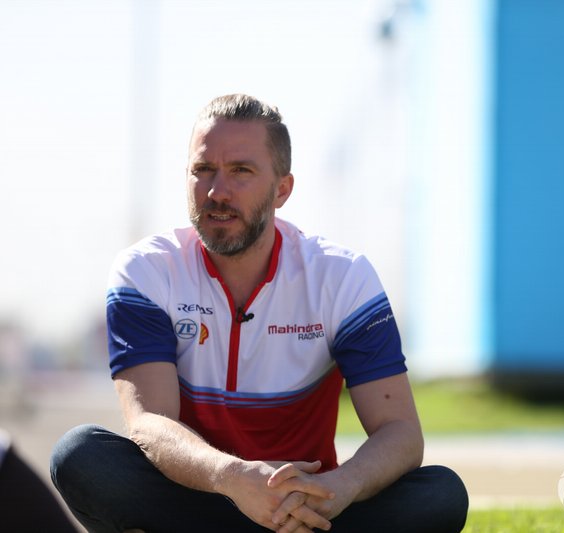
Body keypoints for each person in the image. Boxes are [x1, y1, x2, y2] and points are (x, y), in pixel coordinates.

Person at [50, 94, 469, 533]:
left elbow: (400, 431)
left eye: (241, 171)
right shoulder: (146, 271)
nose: (216, 191)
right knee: (80, 455)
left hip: (310, 508)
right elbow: (150, 423)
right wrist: (232, 478)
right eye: (203, 170)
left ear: (282, 190)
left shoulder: (343, 276)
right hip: (199, 501)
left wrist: (342, 486)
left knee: (439, 492)